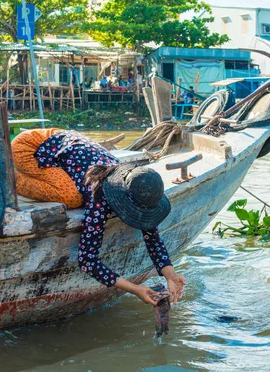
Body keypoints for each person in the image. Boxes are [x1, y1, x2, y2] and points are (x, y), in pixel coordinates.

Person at [32, 130, 186, 306]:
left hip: (70, 141)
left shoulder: (137, 186)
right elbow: (87, 260)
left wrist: (171, 275)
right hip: (36, 146)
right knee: (71, 197)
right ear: (124, 201)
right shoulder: (99, 197)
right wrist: (135, 289)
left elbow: (152, 237)